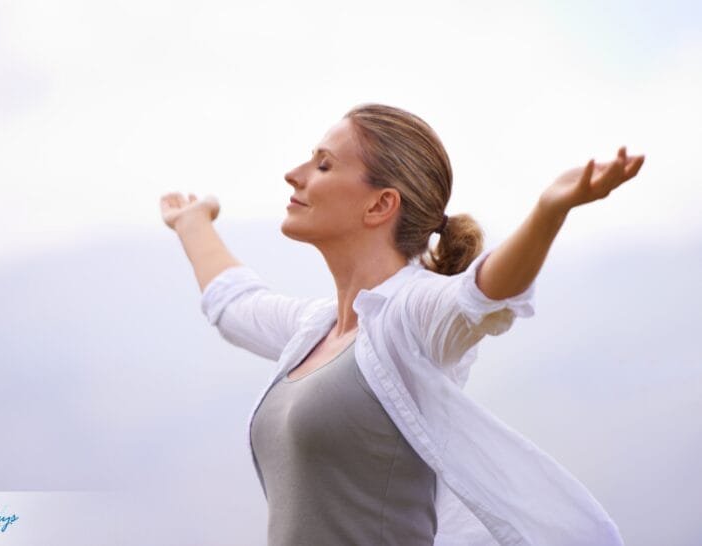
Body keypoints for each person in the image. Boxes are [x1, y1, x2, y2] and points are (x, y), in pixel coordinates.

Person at [161, 103, 645, 545]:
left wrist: (548, 212)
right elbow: (234, 304)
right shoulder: (314, 329)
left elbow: (482, 293)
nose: (294, 175)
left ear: (379, 205)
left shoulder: (410, 315)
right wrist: (192, 221)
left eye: (324, 164)